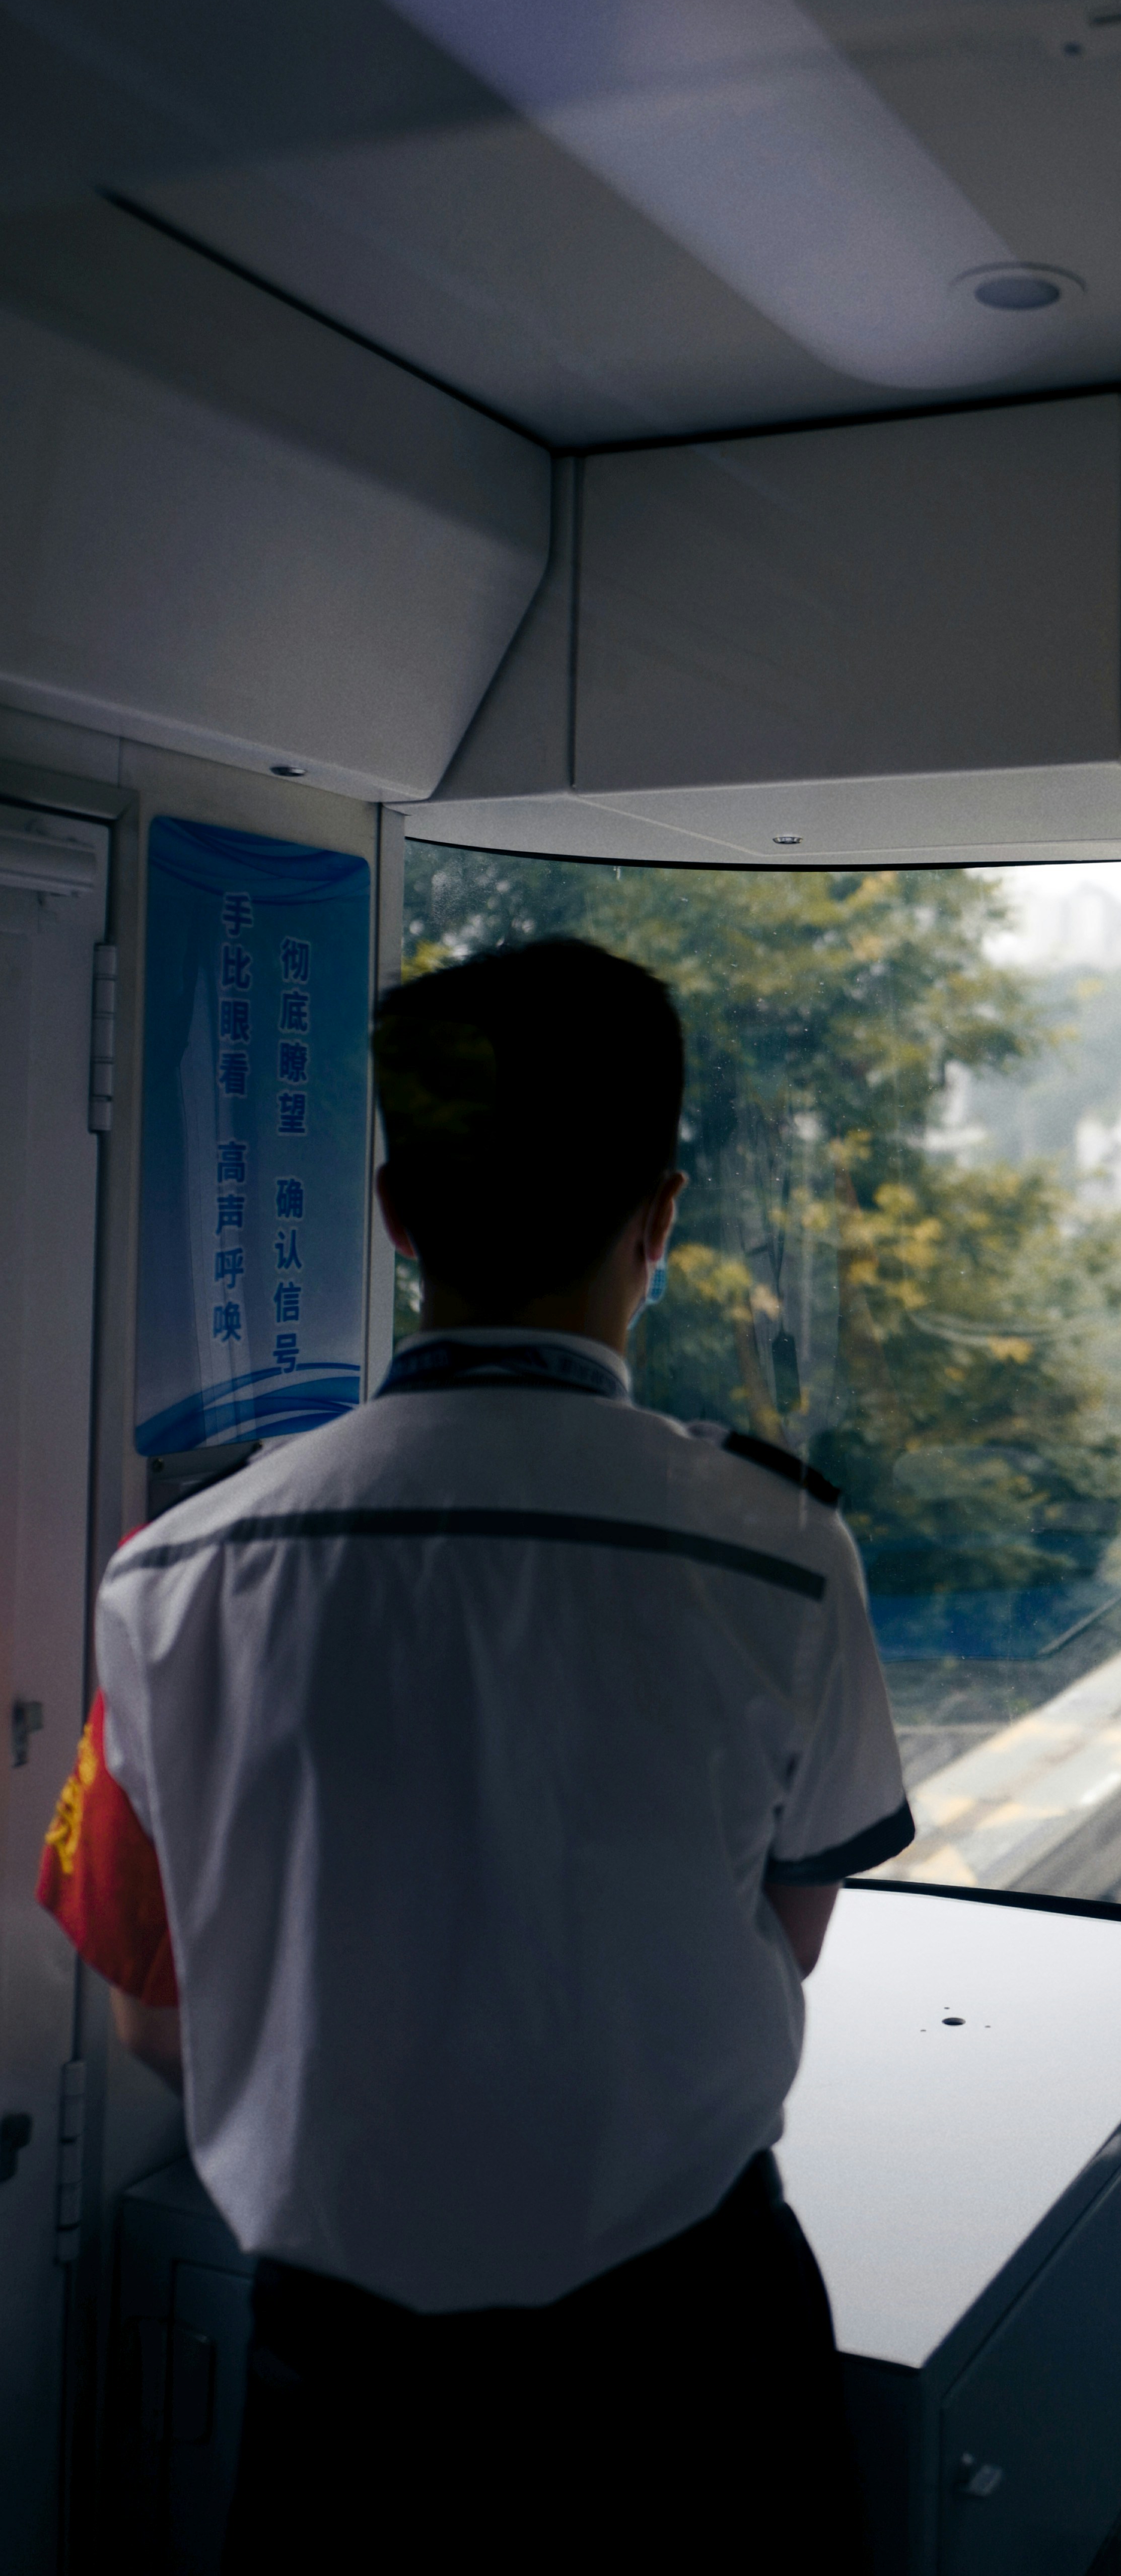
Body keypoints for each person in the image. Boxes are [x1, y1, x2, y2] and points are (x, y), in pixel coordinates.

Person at [40, 936, 913, 2571]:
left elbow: (149, 2009)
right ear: (656, 1220)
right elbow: (788, 1930)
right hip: (695, 2374)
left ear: (394, 1212)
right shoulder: (779, 1552)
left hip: (352, 2402)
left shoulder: (170, 1576)